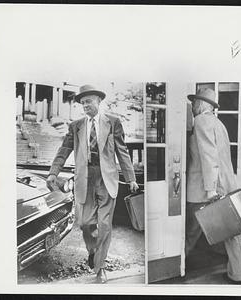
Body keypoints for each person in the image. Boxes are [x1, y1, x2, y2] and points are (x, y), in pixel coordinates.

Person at [47, 84, 139, 283]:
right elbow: (64, 150)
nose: (85, 105)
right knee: (85, 223)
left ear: (99, 101)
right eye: (82, 102)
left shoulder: (113, 122)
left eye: (88, 101)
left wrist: (131, 178)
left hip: (107, 179)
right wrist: (53, 173)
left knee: (105, 225)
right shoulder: (76, 125)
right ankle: (93, 251)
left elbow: (122, 151)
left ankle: (100, 267)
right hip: (85, 178)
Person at [185, 87, 241, 284]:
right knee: (231, 231)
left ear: (202, 104)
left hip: (206, 188)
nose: (193, 106)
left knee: (191, 229)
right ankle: (238, 274)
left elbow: (208, 156)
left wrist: (211, 188)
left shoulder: (201, 121)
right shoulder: (219, 124)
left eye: (195, 102)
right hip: (225, 184)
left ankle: (175, 266)